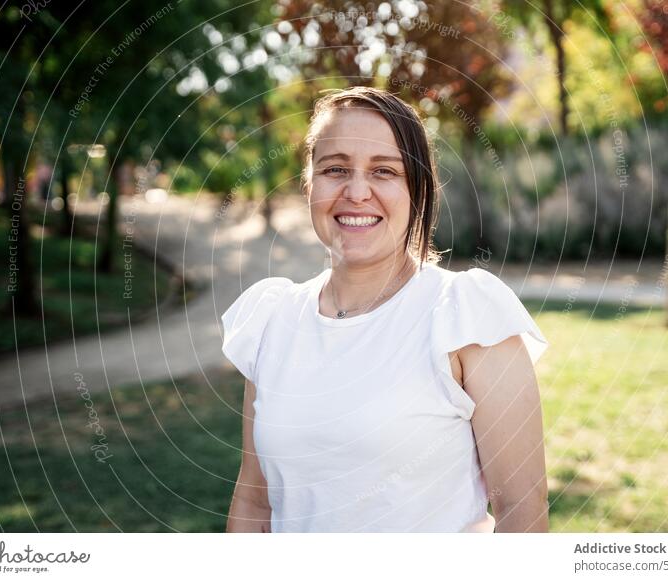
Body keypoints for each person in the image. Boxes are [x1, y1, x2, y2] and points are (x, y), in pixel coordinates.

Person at [222, 86, 549, 533]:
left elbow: (521, 508)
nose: (357, 192)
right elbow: (254, 503)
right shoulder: (271, 319)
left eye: (384, 171)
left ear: (417, 189)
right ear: (309, 184)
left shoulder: (467, 315)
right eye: (335, 169)